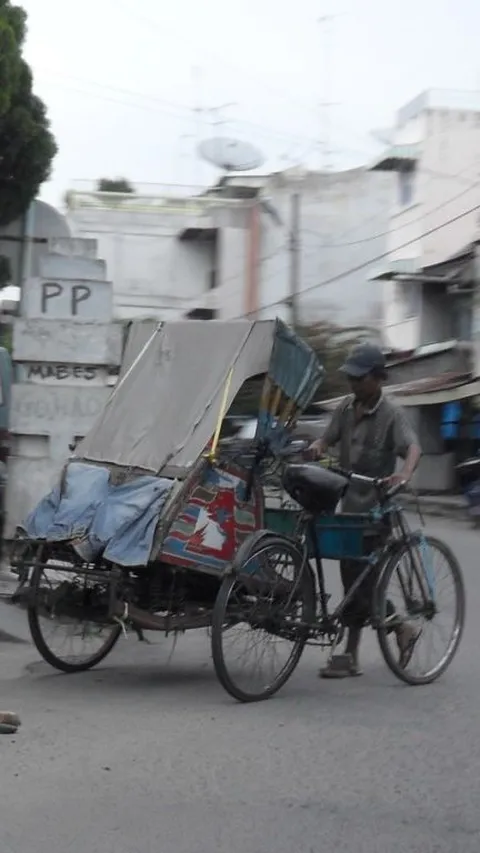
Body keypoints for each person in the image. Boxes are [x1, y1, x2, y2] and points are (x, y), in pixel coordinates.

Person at [309, 342, 422, 678]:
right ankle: (396, 630)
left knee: (364, 580)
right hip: (348, 507)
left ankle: (356, 650)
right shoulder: (345, 408)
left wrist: (404, 473)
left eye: (359, 379)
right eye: (351, 378)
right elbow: (325, 438)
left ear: (377, 379)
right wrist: (316, 447)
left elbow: (413, 446)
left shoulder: (392, 415)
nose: (353, 384)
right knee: (352, 580)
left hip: (376, 510)